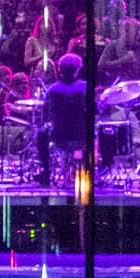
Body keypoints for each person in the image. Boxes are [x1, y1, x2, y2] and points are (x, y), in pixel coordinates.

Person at [39, 51, 93, 186]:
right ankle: (79, 166)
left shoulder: (52, 90)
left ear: (59, 69)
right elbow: (94, 110)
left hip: (58, 136)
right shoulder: (85, 87)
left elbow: (45, 115)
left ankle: (46, 171)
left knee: (41, 134)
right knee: (82, 143)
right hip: (81, 136)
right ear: (78, 69)